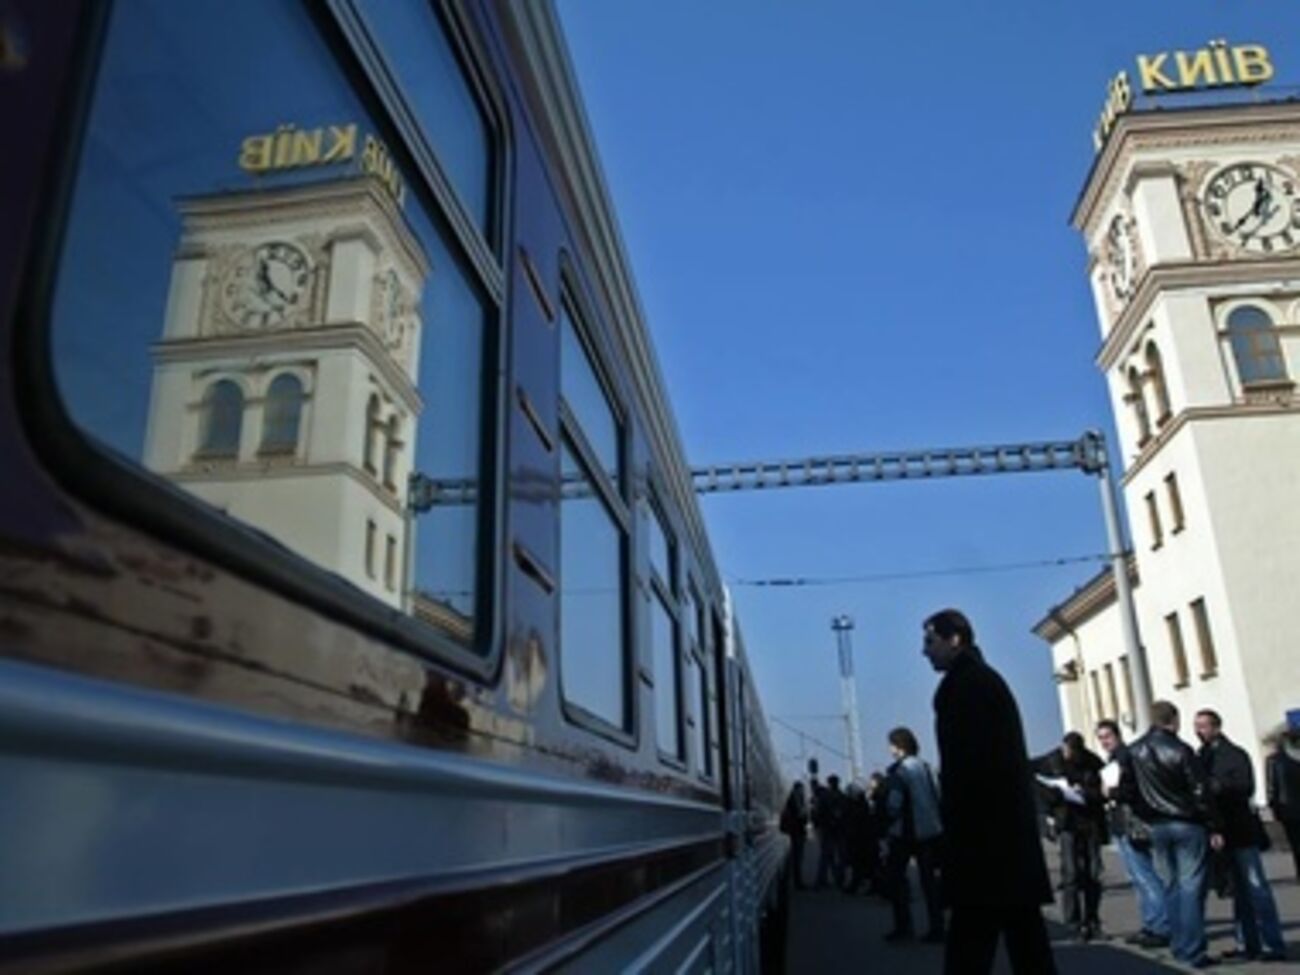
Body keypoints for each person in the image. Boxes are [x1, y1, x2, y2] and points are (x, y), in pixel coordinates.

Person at [922, 608, 1057, 975]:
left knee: (972, 943)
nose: (925, 651)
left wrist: (955, 837)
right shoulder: (984, 680)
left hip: (982, 842)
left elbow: (967, 771)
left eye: (930, 641)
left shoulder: (961, 687)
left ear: (955, 639)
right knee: (1024, 939)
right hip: (1005, 841)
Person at [1118, 700, 1222, 969]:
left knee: (1171, 885)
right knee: (1191, 887)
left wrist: (1147, 813)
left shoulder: (1134, 751)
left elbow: (1127, 791)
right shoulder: (1181, 750)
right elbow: (1200, 791)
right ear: (1173, 720)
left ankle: (1178, 943)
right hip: (1187, 823)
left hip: (1157, 826)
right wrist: (1212, 824)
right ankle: (1192, 948)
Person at [1194, 709, 1286, 962]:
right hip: (1221, 831)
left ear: (1216, 727)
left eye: (1203, 726)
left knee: (1256, 887)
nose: (1199, 731)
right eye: (1196, 726)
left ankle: (1272, 943)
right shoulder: (1201, 756)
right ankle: (1246, 941)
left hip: (1241, 829)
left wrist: (1217, 786)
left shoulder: (1233, 755)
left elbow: (1245, 787)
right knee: (1238, 891)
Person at [1095, 719, 1169, 948]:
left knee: (1145, 876)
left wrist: (1112, 791)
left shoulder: (1125, 757)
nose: (1105, 742)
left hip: (1131, 823)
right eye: (1101, 738)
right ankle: (1151, 922)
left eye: (1107, 736)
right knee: (1138, 877)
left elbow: (1132, 789)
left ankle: (1161, 925)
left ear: (1117, 735)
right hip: (1122, 822)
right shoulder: (1116, 758)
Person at [1032, 731, 1106, 941]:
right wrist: (1052, 799)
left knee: (1092, 873)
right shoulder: (1051, 761)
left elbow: (1103, 790)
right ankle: (1072, 921)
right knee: (1071, 873)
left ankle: (1092, 919)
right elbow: (1036, 781)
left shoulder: (1093, 762)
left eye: (1072, 754)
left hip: (1089, 821)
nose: (1068, 757)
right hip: (1066, 821)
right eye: (1066, 752)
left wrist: (1085, 793)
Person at [881, 726, 944, 943]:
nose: (889, 749)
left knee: (897, 879)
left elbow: (893, 805)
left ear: (899, 747)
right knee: (930, 883)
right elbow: (938, 797)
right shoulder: (927, 768)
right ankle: (937, 928)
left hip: (905, 834)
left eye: (891, 745)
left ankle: (904, 927)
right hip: (931, 832)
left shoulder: (900, 772)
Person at [1266, 724, 1300, 881]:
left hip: (1288, 806)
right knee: (1296, 841)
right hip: (1289, 808)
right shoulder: (1274, 760)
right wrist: (1274, 807)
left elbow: (1272, 786)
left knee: (1296, 841)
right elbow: (1272, 786)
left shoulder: (1276, 760)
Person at [812, 773, 847, 889]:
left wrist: (819, 825)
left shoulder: (824, 797)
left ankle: (821, 881)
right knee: (840, 856)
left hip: (827, 830)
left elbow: (818, 813)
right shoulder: (842, 796)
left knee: (825, 856)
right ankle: (839, 879)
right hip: (840, 830)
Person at [780, 781, 810, 889]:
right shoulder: (796, 799)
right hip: (797, 832)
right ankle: (797, 882)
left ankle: (796, 881)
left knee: (795, 858)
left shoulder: (791, 799)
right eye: (801, 788)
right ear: (798, 789)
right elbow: (801, 816)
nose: (803, 791)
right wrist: (805, 814)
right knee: (797, 858)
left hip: (794, 832)